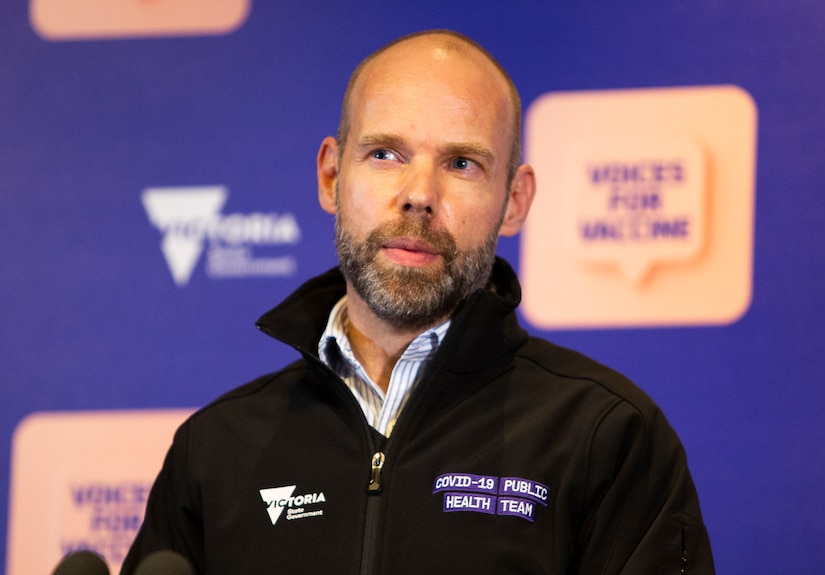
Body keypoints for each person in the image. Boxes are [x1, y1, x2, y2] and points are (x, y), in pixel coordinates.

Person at [122, 29, 714, 574]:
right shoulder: (215, 449)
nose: (418, 196)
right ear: (331, 177)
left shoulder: (607, 436)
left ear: (513, 200)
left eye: (461, 164)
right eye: (385, 154)